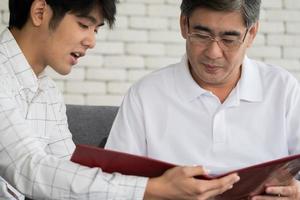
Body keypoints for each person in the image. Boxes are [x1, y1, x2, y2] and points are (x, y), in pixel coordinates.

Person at [0, 0, 241, 199]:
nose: (91, 41)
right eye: (84, 25)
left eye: (96, 30)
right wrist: (152, 190)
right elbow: (28, 168)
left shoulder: (48, 93)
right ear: (40, 12)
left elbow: (67, 172)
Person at [105, 0, 300, 199]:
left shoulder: (282, 89)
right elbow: (112, 184)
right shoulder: (145, 94)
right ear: (184, 25)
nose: (213, 53)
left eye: (229, 39)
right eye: (201, 35)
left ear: (251, 34)